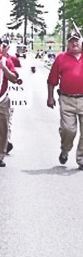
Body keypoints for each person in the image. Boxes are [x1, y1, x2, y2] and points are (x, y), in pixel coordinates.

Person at [47, 31, 83, 169]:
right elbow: (51, 80)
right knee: (69, 130)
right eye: (71, 41)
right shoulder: (61, 58)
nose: (74, 43)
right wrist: (50, 97)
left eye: (77, 40)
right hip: (67, 99)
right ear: (67, 44)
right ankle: (65, 149)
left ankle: (81, 159)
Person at [0, 39, 22, 153]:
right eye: (1, 45)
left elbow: (22, 71)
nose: (2, 48)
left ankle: (6, 141)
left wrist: (31, 70)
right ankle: (0, 141)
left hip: (11, 94)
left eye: (4, 46)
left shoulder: (12, 59)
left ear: (8, 47)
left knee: (8, 118)